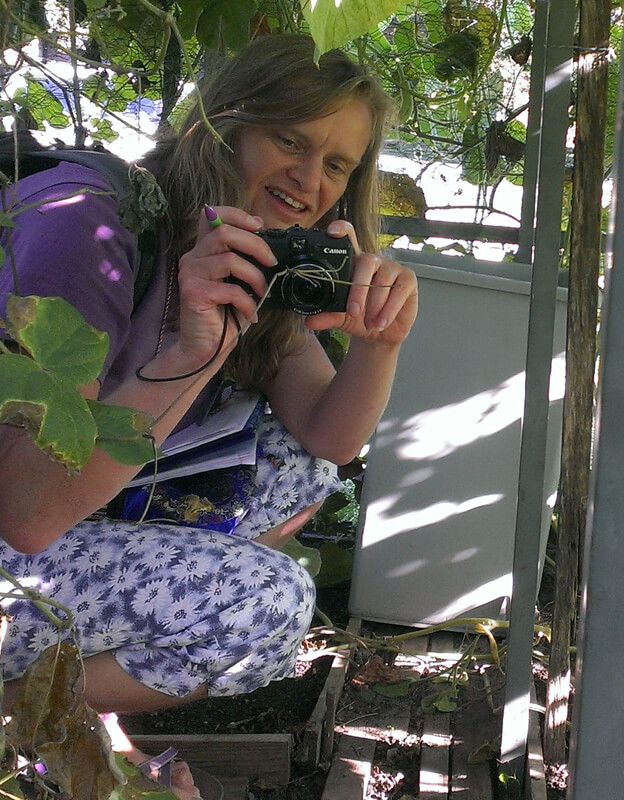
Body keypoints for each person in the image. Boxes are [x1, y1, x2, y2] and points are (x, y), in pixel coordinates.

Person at [0, 33, 418, 798]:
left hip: (54, 535)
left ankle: (67, 704)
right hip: (14, 535)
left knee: (299, 465)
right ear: (218, 126)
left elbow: (329, 435)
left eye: (336, 164)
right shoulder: (87, 231)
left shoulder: (244, 248)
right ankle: (28, 713)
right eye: (289, 139)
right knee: (267, 604)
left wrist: (378, 345)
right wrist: (190, 355)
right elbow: (24, 511)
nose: (309, 178)